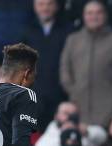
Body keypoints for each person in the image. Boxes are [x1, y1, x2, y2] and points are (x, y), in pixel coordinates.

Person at [59, 0, 112, 126]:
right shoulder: (73, 40)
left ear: (105, 15)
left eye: (98, 13)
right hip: (78, 104)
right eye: (89, 13)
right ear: (83, 16)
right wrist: (72, 90)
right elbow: (64, 68)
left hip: (108, 106)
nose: (94, 17)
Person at [21, 0, 72, 130]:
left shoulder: (68, 30)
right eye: (41, 4)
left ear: (56, 6)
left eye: (49, 4)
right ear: (35, 6)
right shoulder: (26, 30)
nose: (45, 8)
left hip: (60, 93)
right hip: (34, 93)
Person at [35, 101, 107, 146]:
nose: (70, 117)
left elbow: (103, 136)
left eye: (74, 113)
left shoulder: (81, 129)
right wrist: (64, 135)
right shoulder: (52, 131)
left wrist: (87, 132)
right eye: (66, 113)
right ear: (56, 115)